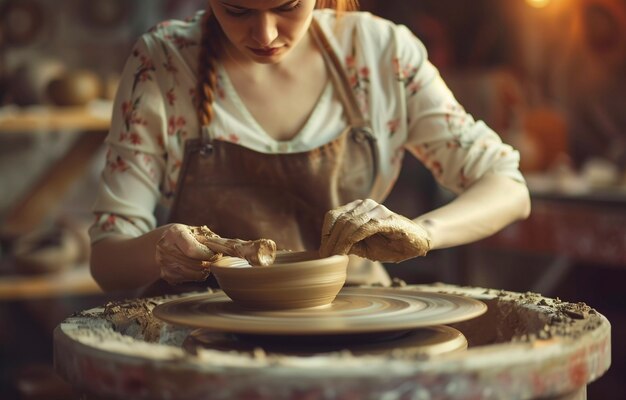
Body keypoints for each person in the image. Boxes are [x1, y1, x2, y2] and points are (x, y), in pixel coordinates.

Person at [89, 0, 530, 292]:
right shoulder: (163, 63)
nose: (264, 34)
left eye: (286, 6)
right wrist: (159, 250)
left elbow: (508, 187)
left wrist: (421, 233)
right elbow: (106, 259)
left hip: (356, 323)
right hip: (210, 337)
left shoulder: (380, 53)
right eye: (237, 9)